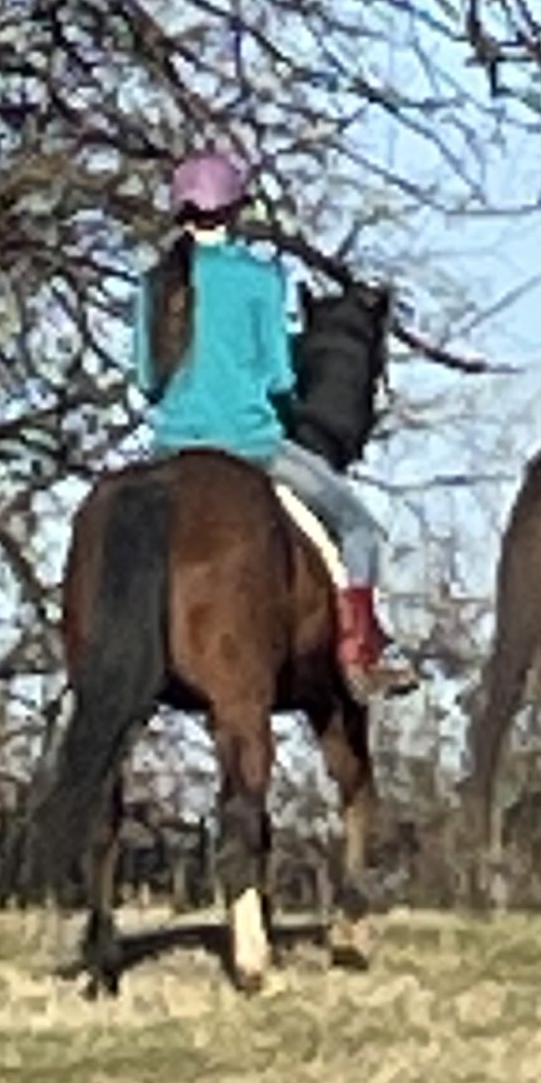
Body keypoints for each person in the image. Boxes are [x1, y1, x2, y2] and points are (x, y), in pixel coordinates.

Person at [132, 149, 416, 698]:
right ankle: (361, 651)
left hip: (169, 450)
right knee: (357, 531)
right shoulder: (260, 279)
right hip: (251, 444)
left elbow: (148, 378)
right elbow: (278, 376)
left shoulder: (153, 285)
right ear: (235, 210)